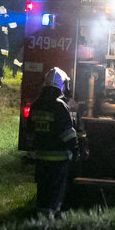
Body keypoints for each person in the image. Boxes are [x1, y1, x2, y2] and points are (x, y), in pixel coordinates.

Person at [29, 67, 78, 219]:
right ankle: (53, 219)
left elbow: (30, 129)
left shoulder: (36, 104)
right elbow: (68, 133)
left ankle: (41, 217)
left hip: (41, 156)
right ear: (62, 85)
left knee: (43, 188)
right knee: (56, 189)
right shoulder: (60, 105)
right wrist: (76, 150)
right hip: (59, 157)